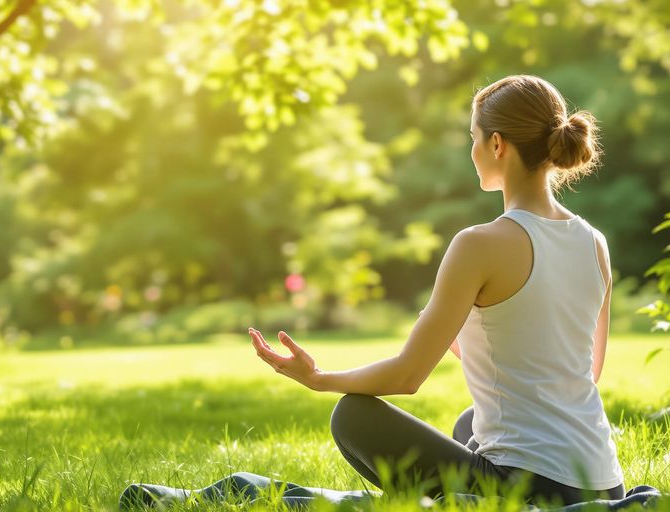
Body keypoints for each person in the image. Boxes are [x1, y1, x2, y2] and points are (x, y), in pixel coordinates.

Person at [248, 74, 625, 507]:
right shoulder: (594, 242)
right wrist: (455, 331)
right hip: (603, 483)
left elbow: (407, 376)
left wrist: (319, 379)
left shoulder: (479, 243)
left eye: (474, 138)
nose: (472, 150)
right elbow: (582, 370)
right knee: (471, 425)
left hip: (532, 489)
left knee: (352, 415)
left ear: (497, 145)